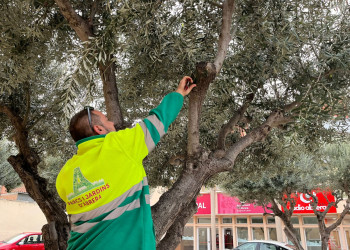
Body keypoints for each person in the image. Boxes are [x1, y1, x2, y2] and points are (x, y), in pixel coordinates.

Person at [56, 76, 196, 250]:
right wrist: (178, 94)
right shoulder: (118, 146)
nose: (112, 122)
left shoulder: (65, 174)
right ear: (98, 129)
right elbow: (158, 120)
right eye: (107, 119)